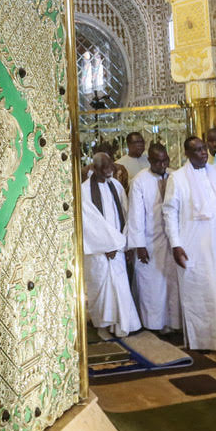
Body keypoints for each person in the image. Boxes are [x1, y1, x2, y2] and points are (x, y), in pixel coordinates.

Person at [162, 136, 216, 350]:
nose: (203, 153)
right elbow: (169, 212)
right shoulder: (177, 178)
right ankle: (205, 340)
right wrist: (176, 245)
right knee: (201, 290)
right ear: (187, 154)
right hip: (193, 245)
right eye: (196, 150)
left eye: (203, 148)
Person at [81, 152, 141, 338]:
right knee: (100, 286)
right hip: (99, 251)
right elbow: (89, 223)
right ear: (95, 169)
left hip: (118, 247)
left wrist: (122, 243)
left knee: (121, 286)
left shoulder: (116, 185)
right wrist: (107, 245)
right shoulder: (84, 190)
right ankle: (102, 326)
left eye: (111, 168)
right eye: (105, 169)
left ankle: (121, 325)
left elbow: (125, 212)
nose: (109, 172)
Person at [126, 144, 180, 332]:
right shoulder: (140, 181)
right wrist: (139, 245)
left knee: (172, 283)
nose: (162, 164)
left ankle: (173, 323)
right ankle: (153, 324)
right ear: (149, 161)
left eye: (165, 160)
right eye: (157, 161)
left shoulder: (174, 176)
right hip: (149, 241)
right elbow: (135, 215)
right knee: (152, 285)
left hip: (171, 241)